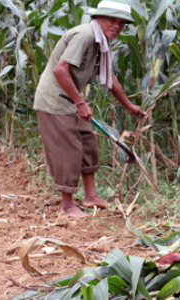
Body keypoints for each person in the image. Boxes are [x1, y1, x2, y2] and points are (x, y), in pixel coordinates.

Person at [34, 0, 147, 219]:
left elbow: (110, 78)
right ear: (98, 18)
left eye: (122, 23)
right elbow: (60, 70)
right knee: (68, 148)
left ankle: (90, 195)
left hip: (69, 99)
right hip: (54, 100)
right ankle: (67, 205)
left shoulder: (101, 42)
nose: (117, 26)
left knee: (88, 142)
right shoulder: (85, 35)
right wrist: (80, 102)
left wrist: (129, 106)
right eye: (112, 20)